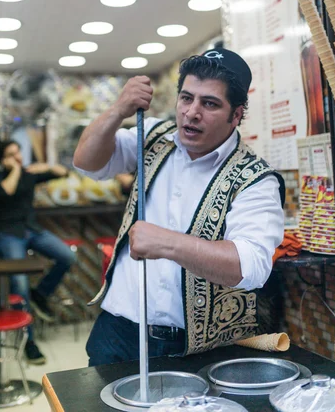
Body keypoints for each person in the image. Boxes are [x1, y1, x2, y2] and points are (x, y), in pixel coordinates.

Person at [74, 48, 285, 366]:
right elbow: (87, 163)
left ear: (237, 114)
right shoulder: (153, 136)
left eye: (210, 103)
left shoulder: (254, 178)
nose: (192, 112)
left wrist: (166, 242)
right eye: (186, 98)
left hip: (198, 346)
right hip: (117, 328)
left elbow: (251, 266)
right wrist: (119, 109)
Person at [0, 140, 77, 365]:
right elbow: (7, 191)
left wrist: (44, 165)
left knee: (67, 256)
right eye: (10, 155)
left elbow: (64, 172)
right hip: (8, 234)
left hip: (32, 230)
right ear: (2, 160)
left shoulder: (29, 174)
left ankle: (40, 294)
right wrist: (17, 169)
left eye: (17, 152)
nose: (17, 157)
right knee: (19, 283)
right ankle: (29, 341)